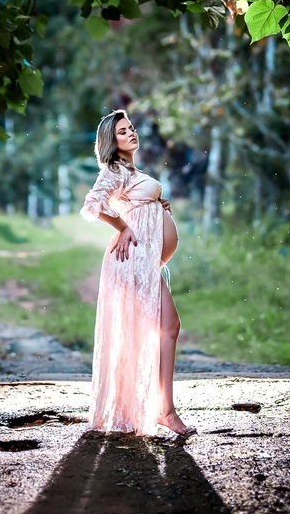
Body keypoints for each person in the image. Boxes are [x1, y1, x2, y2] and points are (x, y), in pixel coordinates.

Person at [80, 109, 196, 437]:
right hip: (132, 260)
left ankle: (160, 409)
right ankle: (164, 411)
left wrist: (159, 206)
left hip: (144, 261)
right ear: (110, 142)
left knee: (160, 328)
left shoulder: (130, 171)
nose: (131, 133)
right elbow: (93, 205)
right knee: (167, 326)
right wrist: (123, 226)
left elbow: (135, 203)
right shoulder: (114, 169)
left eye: (131, 128)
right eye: (122, 131)